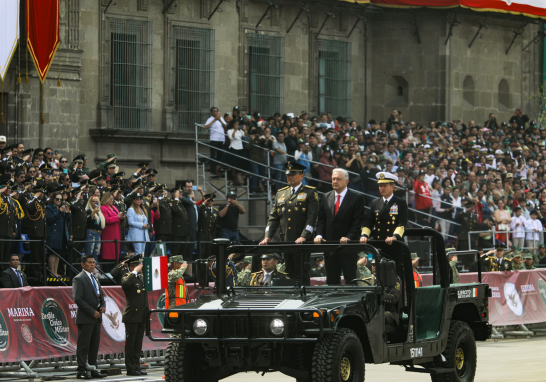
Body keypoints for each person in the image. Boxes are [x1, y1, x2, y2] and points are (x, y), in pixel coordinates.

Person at [260, 162, 319, 285]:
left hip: (302, 242)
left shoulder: (309, 192)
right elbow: (273, 218)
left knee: (302, 272)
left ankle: (303, 297)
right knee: (289, 273)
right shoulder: (281, 193)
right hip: (286, 240)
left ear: (301, 176)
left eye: (293, 174)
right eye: (288, 175)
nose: (290, 177)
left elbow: (311, 218)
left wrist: (304, 236)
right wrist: (267, 236)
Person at [315, 168, 365, 285]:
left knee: (351, 279)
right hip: (330, 246)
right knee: (332, 280)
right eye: (333, 179)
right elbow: (321, 220)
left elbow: (357, 222)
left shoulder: (357, 198)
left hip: (347, 247)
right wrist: (319, 234)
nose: (335, 181)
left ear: (347, 181)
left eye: (338, 179)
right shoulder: (326, 197)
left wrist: (349, 236)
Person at [72, 255, 107, 380]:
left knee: (94, 346)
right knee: (84, 346)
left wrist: (103, 306)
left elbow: (100, 296)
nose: (93, 265)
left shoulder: (95, 278)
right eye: (90, 263)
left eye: (94, 262)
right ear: (83, 264)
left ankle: (93, 369)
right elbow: (78, 299)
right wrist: (92, 312)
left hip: (97, 317)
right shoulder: (79, 279)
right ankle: (81, 370)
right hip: (86, 317)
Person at [360, 172, 408, 245]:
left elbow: (402, 223)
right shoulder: (375, 202)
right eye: (380, 186)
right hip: (379, 242)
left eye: (384, 186)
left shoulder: (400, 202)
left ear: (392, 187)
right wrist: (364, 235)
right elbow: (368, 222)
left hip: (394, 242)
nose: (382, 188)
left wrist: (395, 236)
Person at [121, 255, 149, 376]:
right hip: (132, 314)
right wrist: (134, 272)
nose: (141, 267)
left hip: (142, 315)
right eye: (138, 265)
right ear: (132, 266)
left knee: (138, 343)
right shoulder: (128, 276)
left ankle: (136, 366)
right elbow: (125, 284)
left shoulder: (141, 278)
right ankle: (130, 368)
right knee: (131, 343)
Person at [46, 192, 72, 277]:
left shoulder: (63, 207)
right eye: (57, 199)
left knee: (58, 254)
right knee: (53, 253)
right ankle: (52, 272)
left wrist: (67, 213)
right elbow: (49, 219)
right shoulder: (49, 207)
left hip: (62, 233)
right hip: (53, 233)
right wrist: (59, 212)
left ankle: (55, 272)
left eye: (60, 199)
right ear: (53, 199)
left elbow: (69, 220)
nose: (59, 200)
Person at [26, 182, 47, 277]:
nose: (42, 194)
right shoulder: (32, 201)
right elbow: (28, 207)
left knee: (41, 253)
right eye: (41, 193)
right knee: (35, 253)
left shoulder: (41, 203)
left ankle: (40, 269)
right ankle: (34, 270)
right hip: (35, 232)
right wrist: (34, 197)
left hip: (42, 232)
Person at [100, 192, 124, 270]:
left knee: (115, 253)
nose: (112, 200)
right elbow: (106, 220)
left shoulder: (114, 207)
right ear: (106, 199)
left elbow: (118, 219)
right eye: (110, 198)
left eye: (112, 198)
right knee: (108, 253)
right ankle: (107, 271)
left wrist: (122, 218)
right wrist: (117, 217)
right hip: (108, 233)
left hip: (116, 232)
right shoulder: (103, 208)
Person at [180, 181, 201, 264]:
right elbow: (185, 201)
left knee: (191, 249)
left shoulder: (190, 196)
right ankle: (182, 267)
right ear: (184, 187)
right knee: (185, 248)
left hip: (193, 227)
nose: (190, 188)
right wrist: (192, 201)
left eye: (191, 187)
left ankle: (188, 267)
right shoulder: (182, 195)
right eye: (188, 187)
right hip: (187, 227)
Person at [203, 107, 226, 178]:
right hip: (214, 139)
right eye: (214, 111)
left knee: (220, 156)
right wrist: (213, 121)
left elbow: (225, 126)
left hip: (221, 139)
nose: (215, 112)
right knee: (213, 156)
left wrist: (220, 120)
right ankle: (213, 172)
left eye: (216, 111)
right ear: (211, 113)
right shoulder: (209, 119)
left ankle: (219, 171)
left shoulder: (221, 118)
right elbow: (205, 127)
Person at [85, 195, 105, 273]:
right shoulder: (88, 210)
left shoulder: (100, 212)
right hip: (91, 233)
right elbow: (89, 221)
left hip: (98, 234)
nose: (95, 203)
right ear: (90, 202)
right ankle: (87, 272)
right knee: (89, 254)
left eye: (97, 201)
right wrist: (94, 212)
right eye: (94, 201)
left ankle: (95, 272)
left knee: (96, 254)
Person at [170, 186, 190, 262]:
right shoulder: (172, 202)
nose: (181, 193)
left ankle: (182, 270)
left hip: (184, 232)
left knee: (183, 252)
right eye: (179, 192)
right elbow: (174, 210)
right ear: (174, 194)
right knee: (176, 252)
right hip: (177, 232)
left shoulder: (180, 203)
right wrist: (176, 198)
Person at [0, 175, 16, 269]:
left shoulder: (11, 200)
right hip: (1, 229)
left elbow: (13, 216)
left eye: (9, 187)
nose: (8, 189)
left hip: (9, 230)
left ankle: (5, 269)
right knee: (0, 253)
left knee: (7, 253)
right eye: (6, 187)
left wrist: (14, 229)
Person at [198, 193, 218, 259]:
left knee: (209, 254)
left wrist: (213, 235)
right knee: (201, 253)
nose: (210, 202)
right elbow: (197, 211)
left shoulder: (215, 211)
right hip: (202, 234)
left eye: (211, 200)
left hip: (210, 235)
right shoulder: (202, 208)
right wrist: (203, 203)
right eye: (208, 200)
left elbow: (215, 225)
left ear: (213, 201)